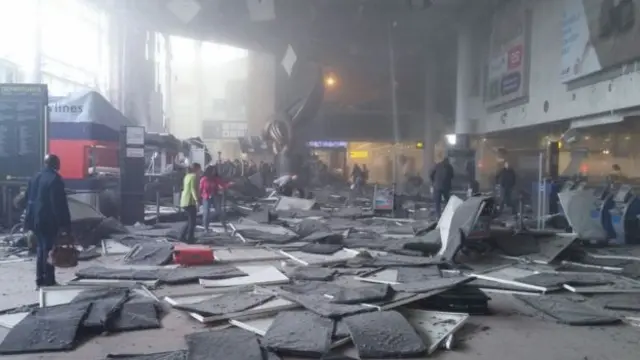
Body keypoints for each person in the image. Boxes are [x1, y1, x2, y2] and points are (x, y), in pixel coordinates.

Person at [24, 154, 71, 288]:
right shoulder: (55, 179)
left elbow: (27, 198)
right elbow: (58, 204)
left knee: (40, 248)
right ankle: (49, 280)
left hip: (34, 220)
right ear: (55, 164)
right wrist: (65, 224)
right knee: (49, 249)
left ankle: (39, 279)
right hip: (48, 220)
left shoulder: (34, 177)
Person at [200, 165, 232, 230]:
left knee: (219, 211)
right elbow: (200, 189)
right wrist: (199, 198)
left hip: (215, 196)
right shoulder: (204, 179)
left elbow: (223, 185)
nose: (214, 172)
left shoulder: (216, 179)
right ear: (209, 171)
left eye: (214, 171)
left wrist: (229, 184)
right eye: (213, 171)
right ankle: (206, 228)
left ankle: (224, 225)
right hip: (206, 197)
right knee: (206, 213)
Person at [179, 162, 201, 243]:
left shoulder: (187, 176)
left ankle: (182, 236)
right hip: (190, 201)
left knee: (190, 221)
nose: (200, 171)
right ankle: (190, 239)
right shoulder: (193, 176)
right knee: (192, 222)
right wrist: (197, 201)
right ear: (197, 169)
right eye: (199, 169)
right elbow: (193, 189)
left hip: (184, 201)